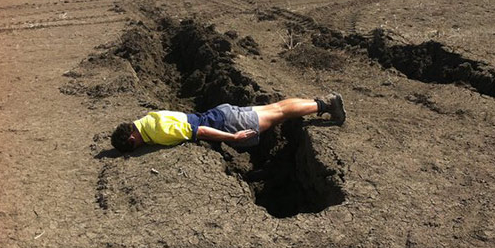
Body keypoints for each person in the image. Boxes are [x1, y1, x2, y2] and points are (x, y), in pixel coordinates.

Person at [111, 93, 345, 153]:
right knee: (277, 109)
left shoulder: (160, 131)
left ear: (132, 139)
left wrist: (233, 138)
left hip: (227, 123)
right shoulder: (147, 120)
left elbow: (199, 131)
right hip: (221, 114)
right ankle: (321, 103)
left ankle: (326, 105)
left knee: (280, 114)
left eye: (134, 147)